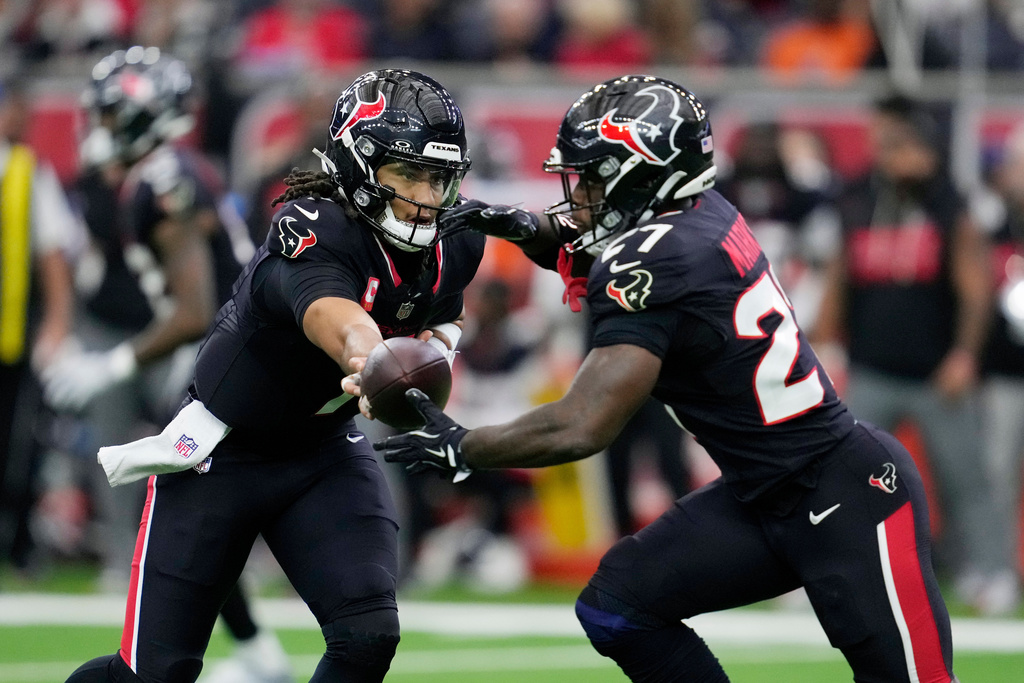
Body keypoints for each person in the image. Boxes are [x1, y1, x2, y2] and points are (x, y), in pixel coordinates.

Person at [371, 75, 958, 682]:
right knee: (618, 606)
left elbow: (582, 424)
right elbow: (597, 244)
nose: (581, 195)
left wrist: (462, 447)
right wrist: (517, 224)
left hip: (844, 493)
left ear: (643, 174)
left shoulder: (654, 259)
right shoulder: (700, 211)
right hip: (762, 493)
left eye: (596, 177)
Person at [64, 66, 482, 683]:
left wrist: (440, 345)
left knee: (368, 635)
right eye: (408, 173)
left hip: (323, 454)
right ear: (360, 167)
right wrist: (372, 359)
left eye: (439, 177)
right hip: (220, 456)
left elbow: (444, 309)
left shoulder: (456, 238)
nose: (427, 194)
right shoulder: (310, 225)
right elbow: (335, 315)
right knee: (154, 674)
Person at [51, 47, 292, 683]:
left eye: (109, 116)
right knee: (199, 511)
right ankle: (256, 653)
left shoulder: (165, 183)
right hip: (235, 353)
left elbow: (192, 311)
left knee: (190, 515)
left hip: (229, 357)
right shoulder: (162, 173)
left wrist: (110, 366)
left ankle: (237, 655)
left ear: (138, 116)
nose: (97, 130)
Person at [813, 94, 999, 611]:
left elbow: (976, 286)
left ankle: (990, 571)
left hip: (936, 371)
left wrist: (964, 354)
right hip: (872, 366)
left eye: (898, 144)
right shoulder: (858, 198)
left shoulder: (949, 202)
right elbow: (840, 272)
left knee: (964, 477)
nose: (889, 155)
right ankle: (830, 570)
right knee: (843, 474)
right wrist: (827, 339)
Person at [0, 75, 81, 572]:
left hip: (13, 329)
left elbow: (53, 253)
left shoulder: (28, 171)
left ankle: (18, 540)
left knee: (18, 439)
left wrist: (55, 322)